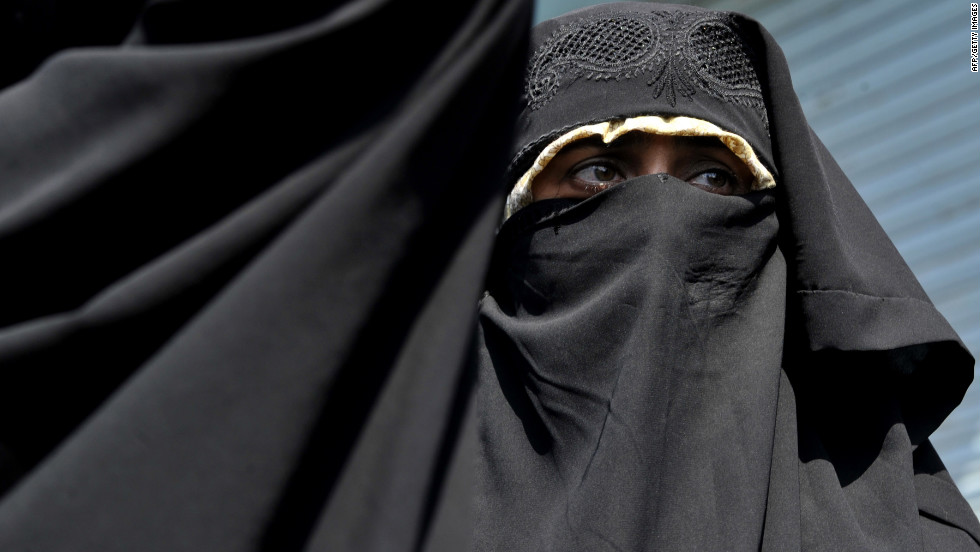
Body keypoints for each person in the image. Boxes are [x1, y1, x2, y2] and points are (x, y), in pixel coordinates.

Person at [474, 2, 980, 551]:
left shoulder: (906, 526)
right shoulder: (393, 476)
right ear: (511, 214)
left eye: (714, 176)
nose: (660, 216)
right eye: (597, 171)